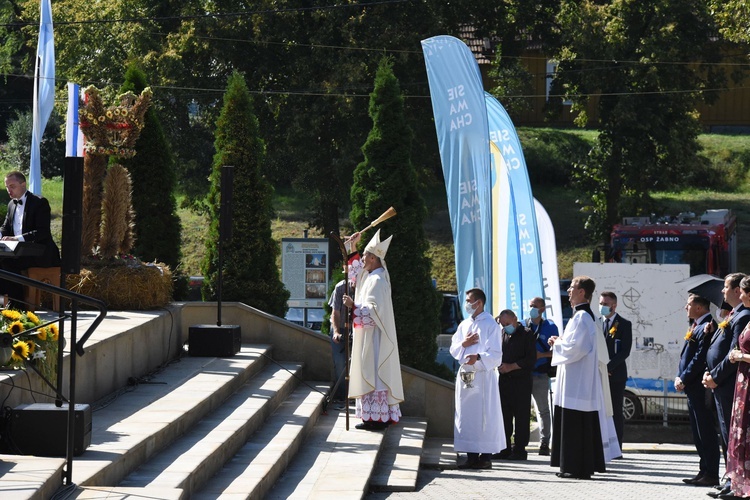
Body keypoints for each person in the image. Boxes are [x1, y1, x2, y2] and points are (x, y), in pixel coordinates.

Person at [548, 276, 612, 479]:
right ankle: (576, 466)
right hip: (577, 380)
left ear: (582, 292)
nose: (568, 291)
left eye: (572, 287)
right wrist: (561, 341)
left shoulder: (582, 317)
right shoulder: (582, 316)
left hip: (577, 383)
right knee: (578, 424)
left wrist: (557, 344)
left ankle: (575, 467)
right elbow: (575, 343)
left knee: (575, 424)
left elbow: (577, 348)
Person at [342, 229, 404, 430]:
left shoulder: (377, 281)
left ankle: (377, 419)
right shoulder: (371, 276)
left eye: (367, 256)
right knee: (369, 371)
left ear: (375, 258)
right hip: (369, 335)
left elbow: (375, 312)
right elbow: (355, 274)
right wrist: (353, 246)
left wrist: (354, 307)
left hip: (376, 337)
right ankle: (371, 417)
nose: (364, 260)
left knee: (374, 372)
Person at [704, 273, 750, 497]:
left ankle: (735, 482)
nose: (722, 291)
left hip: (730, 382)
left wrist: (715, 376)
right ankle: (731, 480)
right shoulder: (733, 314)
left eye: (726, 287)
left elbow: (733, 352)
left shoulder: (743, 316)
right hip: (722, 382)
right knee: (727, 433)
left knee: (733, 434)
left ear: (737, 291)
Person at [450, 288, 505, 470]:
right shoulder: (464, 325)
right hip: (466, 375)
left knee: (483, 416)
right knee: (467, 415)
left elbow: (496, 355)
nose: (466, 304)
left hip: (482, 377)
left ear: (479, 303)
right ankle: (471, 456)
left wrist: (478, 357)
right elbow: (454, 348)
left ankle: (486, 456)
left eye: (469, 300)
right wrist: (464, 344)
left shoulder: (491, 325)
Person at [675, 293, 720, 487]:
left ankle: (711, 473)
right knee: (697, 432)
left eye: (689, 304)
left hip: (699, 387)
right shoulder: (696, 326)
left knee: (706, 431)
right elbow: (686, 356)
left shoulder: (708, 326)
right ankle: (703, 470)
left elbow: (700, 358)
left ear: (699, 308)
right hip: (691, 387)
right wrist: (679, 375)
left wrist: (684, 378)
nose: (686, 308)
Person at [0, 170, 61, 307]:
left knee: (6, 264)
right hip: (19, 252)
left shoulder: (39, 202)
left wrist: (17, 239)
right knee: (3, 262)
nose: (9, 190)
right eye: (7, 186)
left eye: (12, 186)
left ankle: (18, 305)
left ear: (23, 184)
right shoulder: (11, 204)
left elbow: (42, 232)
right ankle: (6, 303)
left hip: (41, 252)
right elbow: (5, 228)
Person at [495, 309, 536, 461]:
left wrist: (511, 366)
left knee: (521, 416)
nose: (505, 326)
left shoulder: (527, 334)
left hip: (521, 381)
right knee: (504, 416)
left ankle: (519, 450)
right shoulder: (502, 334)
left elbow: (531, 359)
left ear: (515, 319)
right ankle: (504, 448)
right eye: (503, 324)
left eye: (507, 323)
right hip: (505, 381)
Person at [725, 276, 750, 499]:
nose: (739, 296)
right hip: (744, 382)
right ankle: (741, 484)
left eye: (742, 292)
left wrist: (740, 355)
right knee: (740, 432)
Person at [599, 291, 632, 451]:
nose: (602, 307)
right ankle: (601, 445)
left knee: (615, 411)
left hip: (615, 375)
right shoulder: (597, 323)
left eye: (605, 304)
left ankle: (616, 447)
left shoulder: (624, 324)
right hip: (599, 375)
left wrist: (608, 367)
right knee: (600, 411)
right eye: (600, 303)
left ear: (614, 305)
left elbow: (624, 351)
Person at [526, 296, 558, 456]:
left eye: (535, 306)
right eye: (530, 305)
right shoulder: (524, 325)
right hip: (524, 375)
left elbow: (557, 350)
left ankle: (545, 442)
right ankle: (519, 442)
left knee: (543, 410)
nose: (531, 308)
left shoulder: (550, 327)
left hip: (540, 374)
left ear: (542, 309)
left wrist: (542, 355)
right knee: (522, 410)